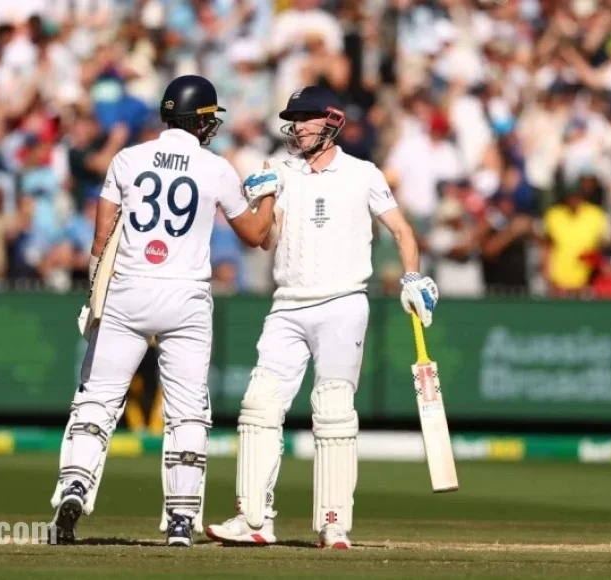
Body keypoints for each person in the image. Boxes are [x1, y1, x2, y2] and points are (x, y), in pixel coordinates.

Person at [205, 86, 439, 549]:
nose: (297, 127)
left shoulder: (363, 173)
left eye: (306, 118)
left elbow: (402, 231)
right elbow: (266, 241)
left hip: (342, 302)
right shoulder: (278, 168)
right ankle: (254, 519)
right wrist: (264, 201)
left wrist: (412, 278)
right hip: (288, 304)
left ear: (332, 122)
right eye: (293, 119)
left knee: (333, 410)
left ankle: (334, 524)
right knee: (259, 405)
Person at [48, 75, 277, 547]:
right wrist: (269, 192)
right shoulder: (215, 167)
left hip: (128, 291)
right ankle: (179, 519)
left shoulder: (127, 159)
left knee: (96, 401)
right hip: (185, 298)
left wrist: (95, 296)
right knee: (188, 412)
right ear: (198, 120)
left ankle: (74, 486)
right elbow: (256, 237)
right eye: (210, 118)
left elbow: (100, 241)